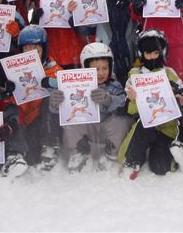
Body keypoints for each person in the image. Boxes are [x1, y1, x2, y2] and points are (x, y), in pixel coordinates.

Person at [118, 29, 183, 179]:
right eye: (148, 53)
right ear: (141, 54)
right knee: (124, 155)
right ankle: (133, 162)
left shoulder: (169, 74)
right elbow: (128, 109)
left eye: (156, 52)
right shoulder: (135, 75)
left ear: (162, 52)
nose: (152, 57)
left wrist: (181, 101)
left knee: (160, 168)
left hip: (166, 127)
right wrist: (133, 98)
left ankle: (179, 151)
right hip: (144, 126)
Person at [49, 43, 130, 173]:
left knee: (122, 121)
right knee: (70, 120)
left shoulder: (114, 85)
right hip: (85, 130)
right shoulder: (73, 85)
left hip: (105, 131)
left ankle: (113, 150)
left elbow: (124, 102)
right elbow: (61, 110)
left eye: (105, 68)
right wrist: (55, 103)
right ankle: (78, 151)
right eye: (96, 69)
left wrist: (109, 100)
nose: (101, 73)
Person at [15, 25, 63, 170]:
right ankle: (16, 152)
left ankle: (50, 145)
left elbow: (66, 85)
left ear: (44, 50)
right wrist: (11, 90)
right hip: (27, 120)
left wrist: (51, 83)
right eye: (27, 49)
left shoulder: (53, 69)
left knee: (50, 100)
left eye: (36, 49)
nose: (32, 54)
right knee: (31, 158)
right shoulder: (16, 71)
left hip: (45, 119)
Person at [31, 0, 91, 69]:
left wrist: (75, 15)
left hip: (76, 54)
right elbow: (38, 31)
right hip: (53, 54)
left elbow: (87, 32)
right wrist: (36, 19)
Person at [95, 0, 137, 86]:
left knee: (128, 84)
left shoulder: (132, 4)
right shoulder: (101, 4)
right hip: (107, 51)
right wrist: (76, 14)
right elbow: (86, 27)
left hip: (128, 52)